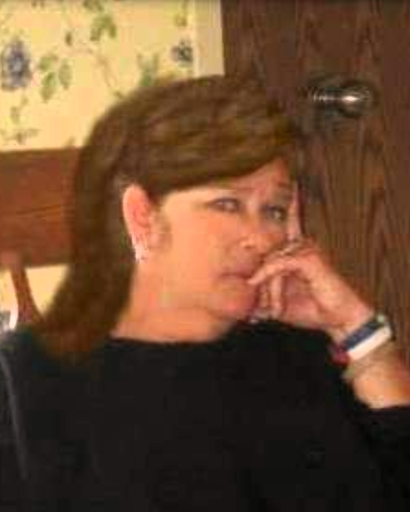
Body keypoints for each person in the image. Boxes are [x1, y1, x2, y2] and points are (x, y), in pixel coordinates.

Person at [1, 74, 410, 511]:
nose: (261, 238)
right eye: (227, 204)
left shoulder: (294, 354)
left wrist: (356, 329)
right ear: (142, 217)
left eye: (274, 211)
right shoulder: (28, 378)